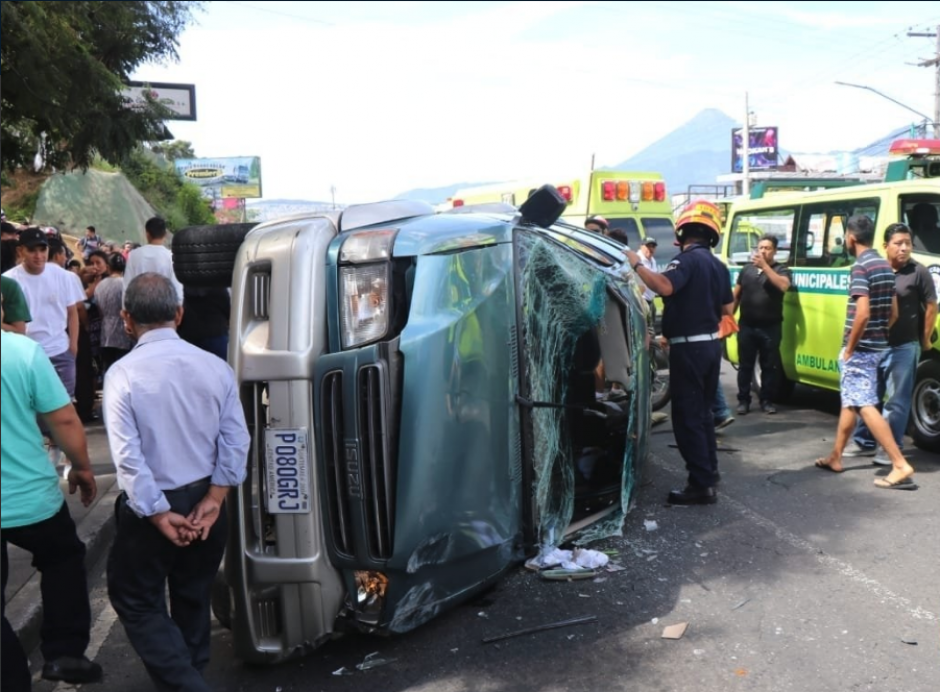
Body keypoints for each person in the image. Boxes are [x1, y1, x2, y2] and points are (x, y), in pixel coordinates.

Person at [104, 273, 250, 692]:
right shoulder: (215, 366)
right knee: (192, 593)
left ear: (126, 319)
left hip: (155, 504)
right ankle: (192, 674)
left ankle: (187, 684)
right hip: (205, 497)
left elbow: (129, 457)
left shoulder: (122, 374)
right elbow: (236, 439)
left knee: (136, 599)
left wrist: (156, 512)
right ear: (179, 314)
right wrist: (216, 498)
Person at [1, 297, 102, 690]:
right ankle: (64, 653)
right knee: (62, 557)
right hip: (27, 495)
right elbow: (63, 418)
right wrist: (82, 467)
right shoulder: (22, 352)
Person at [625, 200, 733, 505]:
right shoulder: (718, 266)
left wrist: (636, 264)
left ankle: (700, 485)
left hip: (690, 349)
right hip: (710, 346)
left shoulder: (685, 261)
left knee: (687, 417)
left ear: (681, 233)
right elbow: (728, 308)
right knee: (704, 414)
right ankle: (708, 474)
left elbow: (665, 287)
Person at [814, 215, 916, 489]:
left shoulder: (860, 267)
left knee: (865, 405)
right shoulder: (885, 265)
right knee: (852, 401)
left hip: (859, 349)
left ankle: (899, 464)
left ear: (850, 238)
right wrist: (878, 334)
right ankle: (836, 456)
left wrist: (850, 348)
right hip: (877, 346)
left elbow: (862, 314)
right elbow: (893, 313)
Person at [844, 222, 937, 464]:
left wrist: (925, 339)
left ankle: (890, 449)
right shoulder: (879, 269)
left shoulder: (919, 272)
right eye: (898, 243)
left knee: (896, 401)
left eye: (908, 243)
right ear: (886, 246)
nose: (904, 248)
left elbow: (931, 306)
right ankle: (864, 442)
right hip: (876, 345)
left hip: (904, 345)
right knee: (868, 396)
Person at [2, 229, 85, 399]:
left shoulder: (63, 276)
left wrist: (73, 347)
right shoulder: (9, 280)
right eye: (32, 250)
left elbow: (72, 312)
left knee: (65, 405)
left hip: (60, 352)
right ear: (20, 251)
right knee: (31, 406)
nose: (38, 256)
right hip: (26, 355)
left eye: (42, 250)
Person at [733, 234, 792, 415]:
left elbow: (783, 286)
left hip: (770, 328)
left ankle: (766, 400)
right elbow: (736, 295)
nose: (763, 251)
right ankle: (743, 400)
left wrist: (765, 267)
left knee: (769, 366)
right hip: (747, 326)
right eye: (761, 248)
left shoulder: (781, 270)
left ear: (775, 251)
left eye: (767, 248)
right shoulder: (746, 270)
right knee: (745, 366)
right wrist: (727, 317)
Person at [123, 217, 184, 303]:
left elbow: (127, 285)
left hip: (138, 304)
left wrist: (125, 307)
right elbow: (177, 287)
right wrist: (179, 306)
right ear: (165, 234)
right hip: (163, 305)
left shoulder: (134, 255)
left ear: (147, 234)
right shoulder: (171, 257)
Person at [95, 253, 134, 373]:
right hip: (125, 335)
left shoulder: (100, 285)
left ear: (108, 267)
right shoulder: (128, 284)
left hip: (106, 333)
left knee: (109, 371)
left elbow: (99, 310)